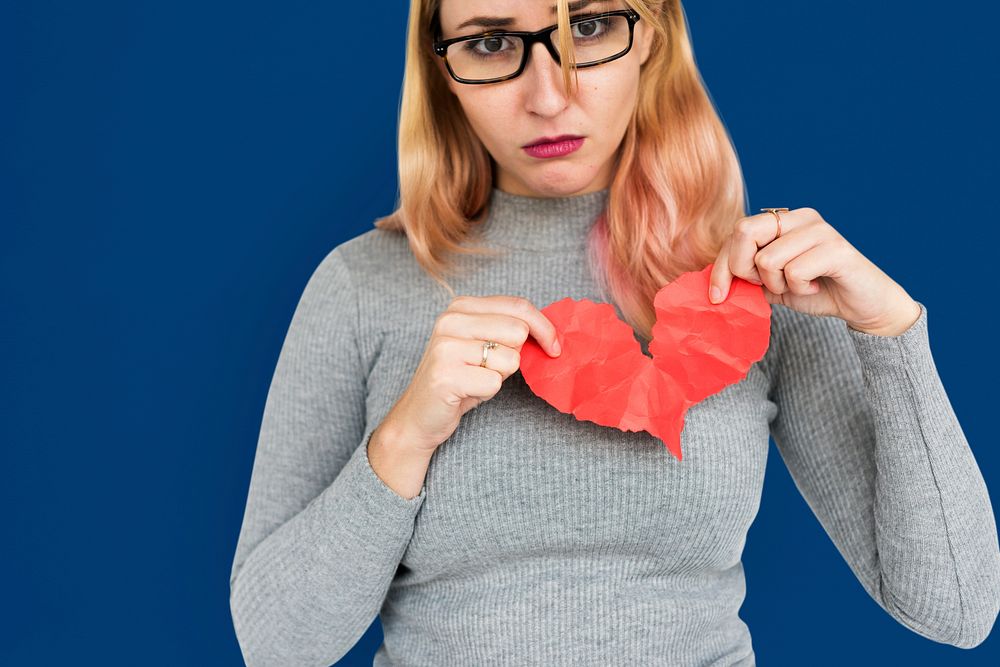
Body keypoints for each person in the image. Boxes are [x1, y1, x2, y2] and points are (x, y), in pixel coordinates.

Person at [229, 1, 1000, 664]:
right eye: (492, 43)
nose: (549, 96)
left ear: (652, 35)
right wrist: (402, 439)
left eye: (590, 26)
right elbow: (275, 644)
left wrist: (891, 335)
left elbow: (956, 609)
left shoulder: (750, 282)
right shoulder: (363, 286)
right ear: (442, 69)